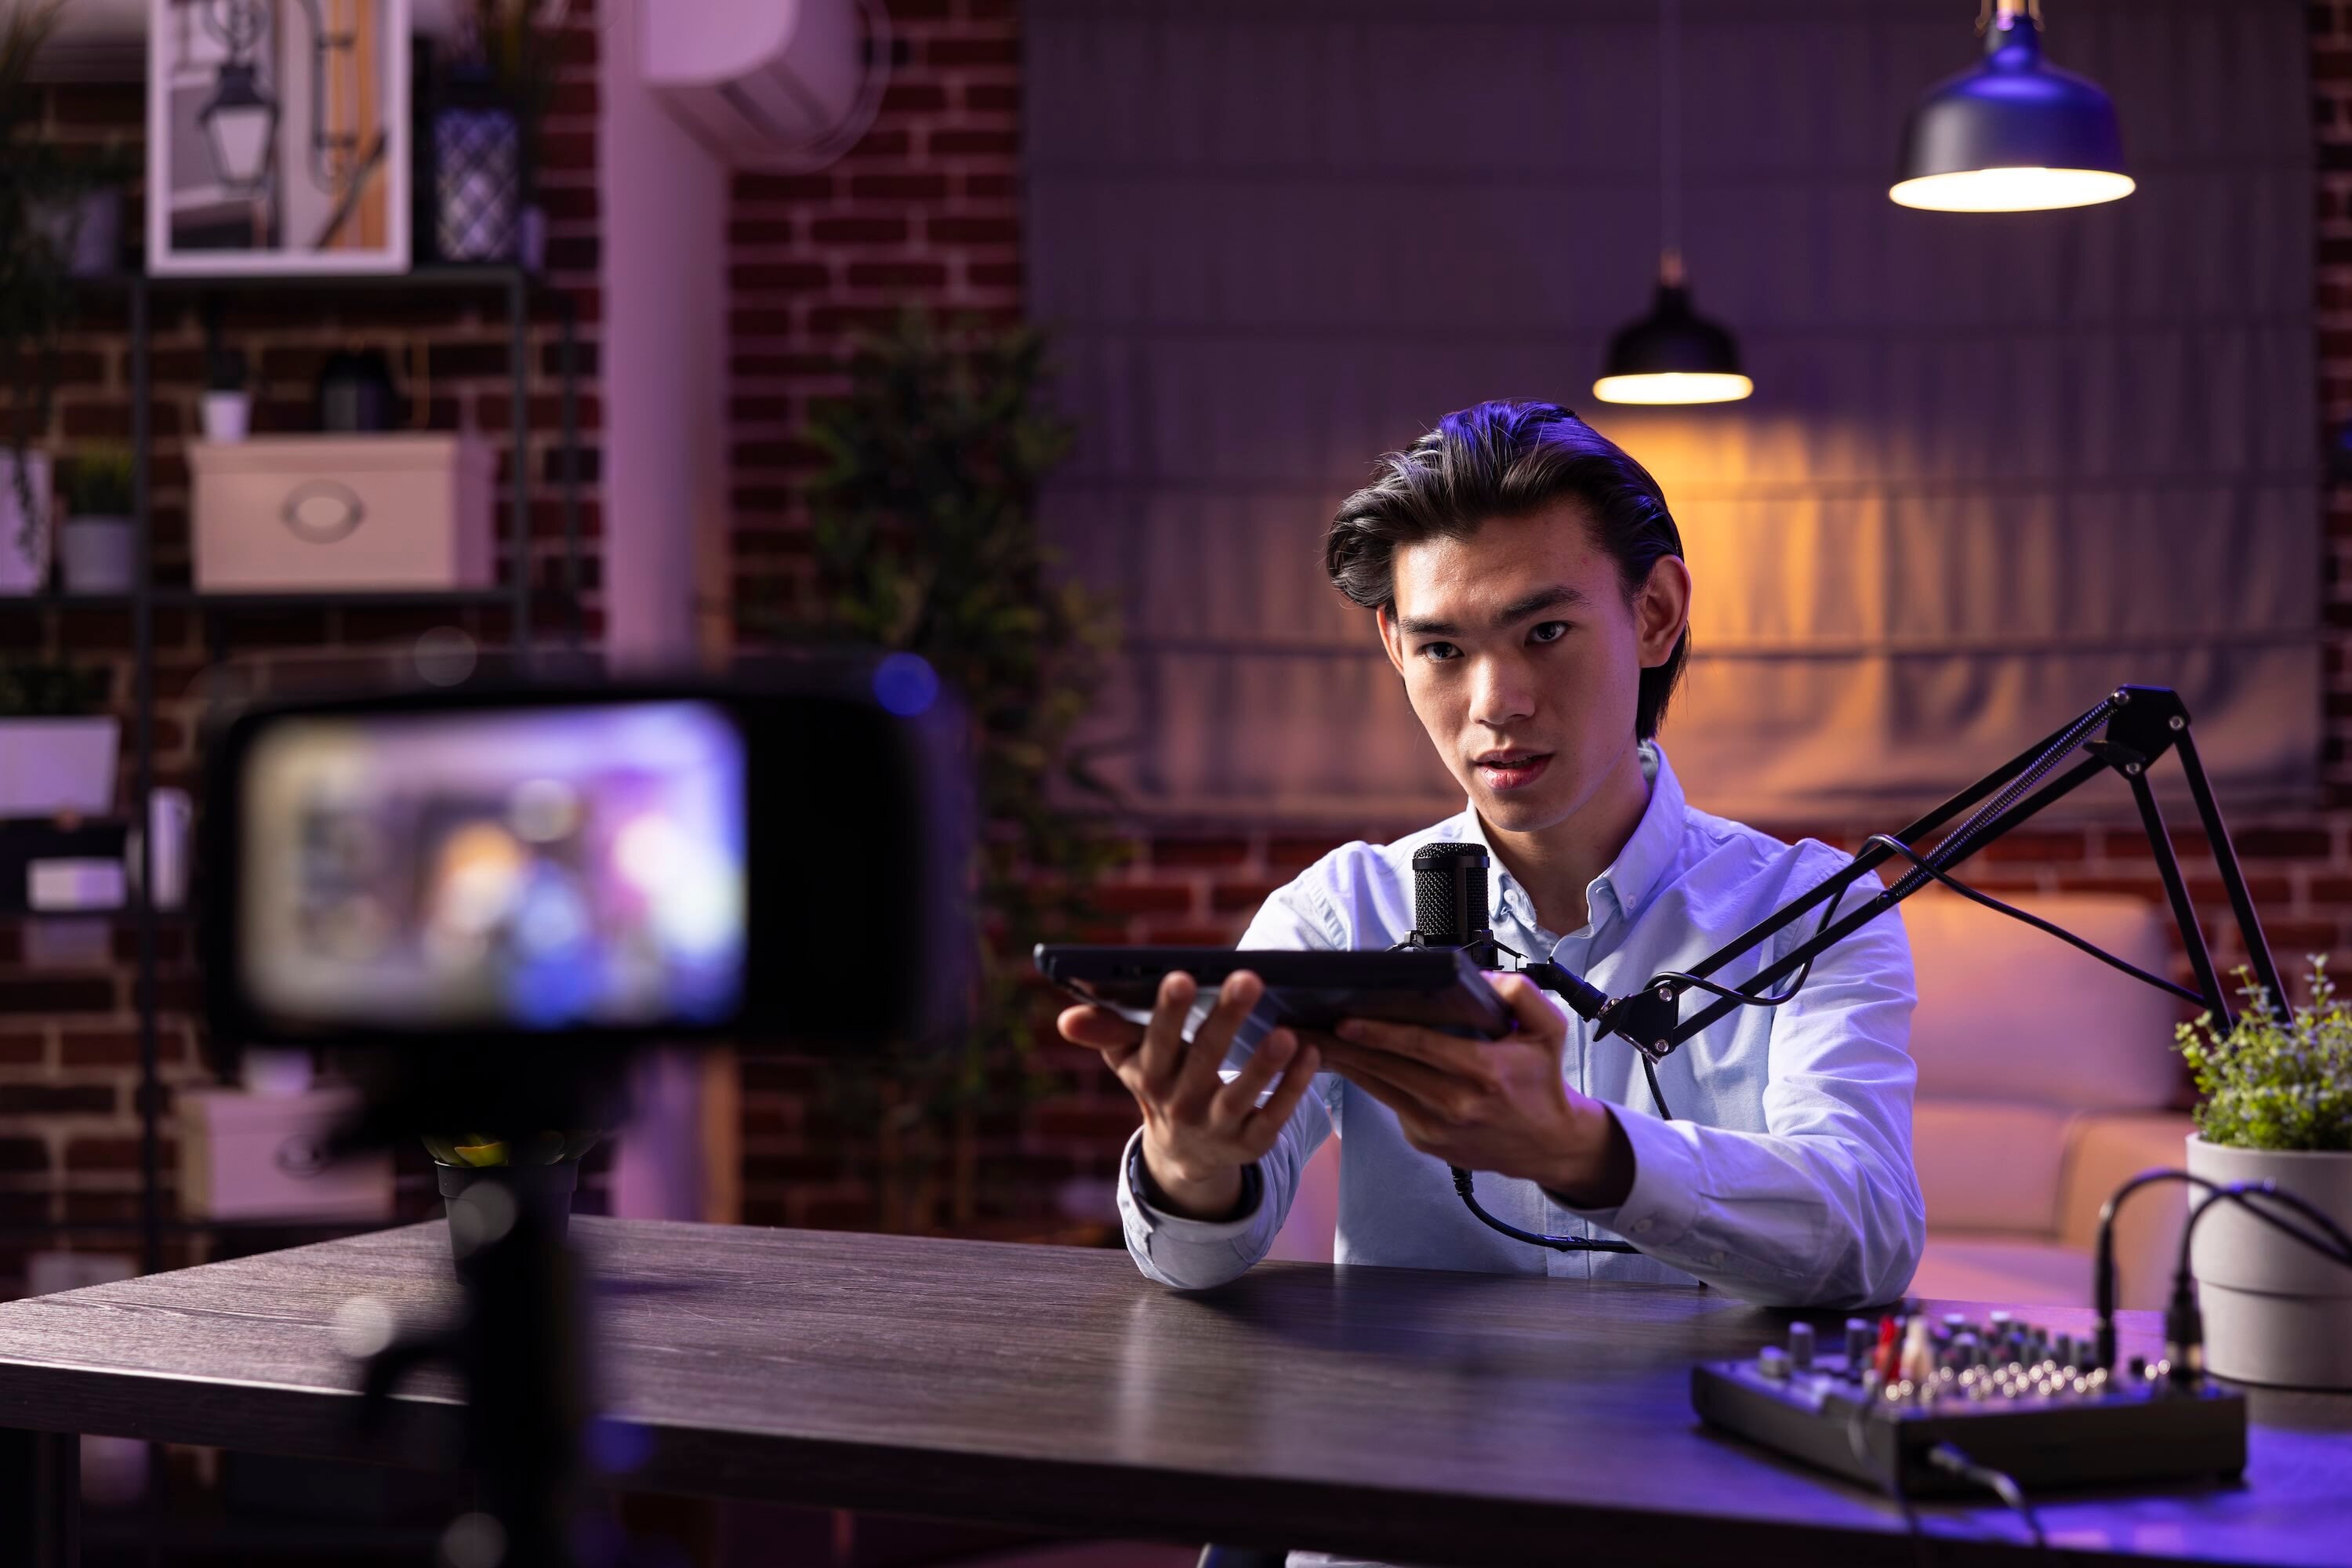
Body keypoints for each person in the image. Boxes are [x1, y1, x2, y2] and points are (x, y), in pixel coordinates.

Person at [1058, 400, 1923, 1310]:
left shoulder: (1816, 907)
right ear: (1394, 644)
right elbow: (1196, 1253)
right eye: (1442, 648)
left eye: (1544, 633)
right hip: (1419, 1445)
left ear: (1656, 613)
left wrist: (1583, 1151)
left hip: (1707, 1436)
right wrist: (1190, 1166)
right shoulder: (1342, 913)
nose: (1496, 702)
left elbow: (1866, 1232)